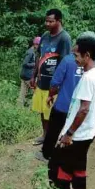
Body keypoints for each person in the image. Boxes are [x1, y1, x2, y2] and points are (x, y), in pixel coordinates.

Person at [51, 36, 95, 189]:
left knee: (62, 169)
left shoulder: (88, 78)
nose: (74, 59)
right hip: (87, 131)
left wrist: (68, 134)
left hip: (78, 134)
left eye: (77, 56)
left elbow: (84, 109)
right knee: (78, 167)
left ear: (86, 55)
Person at [38, 32, 95, 162]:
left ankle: (46, 154)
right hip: (82, 111)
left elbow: (55, 82)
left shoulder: (68, 60)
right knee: (74, 135)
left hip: (63, 106)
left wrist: (50, 95)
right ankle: (66, 157)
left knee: (54, 131)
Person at [31, 9, 72, 146]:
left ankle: (53, 139)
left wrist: (58, 84)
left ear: (58, 21)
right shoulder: (45, 36)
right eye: (46, 20)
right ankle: (45, 135)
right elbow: (39, 57)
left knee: (53, 113)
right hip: (41, 82)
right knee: (43, 111)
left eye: (50, 21)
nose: (47, 23)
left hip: (54, 85)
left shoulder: (64, 38)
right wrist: (34, 75)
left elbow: (66, 63)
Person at [19, 37, 40, 106]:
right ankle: (30, 106)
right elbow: (25, 63)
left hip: (24, 75)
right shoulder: (30, 52)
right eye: (38, 45)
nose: (39, 47)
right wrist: (35, 64)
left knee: (23, 92)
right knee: (35, 91)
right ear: (35, 44)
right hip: (27, 76)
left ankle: (19, 106)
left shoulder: (32, 51)